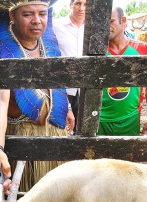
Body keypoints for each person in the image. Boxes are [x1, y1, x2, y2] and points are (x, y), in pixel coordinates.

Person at [0, 0, 74, 193]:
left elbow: (56, 79)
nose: (37, 21)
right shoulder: (4, 56)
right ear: (12, 17)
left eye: (42, 13)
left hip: (55, 136)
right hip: (24, 146)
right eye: (27, 14)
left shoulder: (47, 45)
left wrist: (68, 108)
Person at [97, 7, 147, 136]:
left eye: (111, 21)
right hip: (100, 121)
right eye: (102, 22)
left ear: (123, 21)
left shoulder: (141, 49)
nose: (105, 26)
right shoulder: (95, 53)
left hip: (130, 119)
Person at [53, 0, 86, 134]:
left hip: (85, 88)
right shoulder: (56, 26)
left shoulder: (93, 29)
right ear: (70, 5)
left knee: (84, 131)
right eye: (78, 3)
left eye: (85, 4)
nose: (81, 8)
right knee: (62, 131)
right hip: (62, 88)